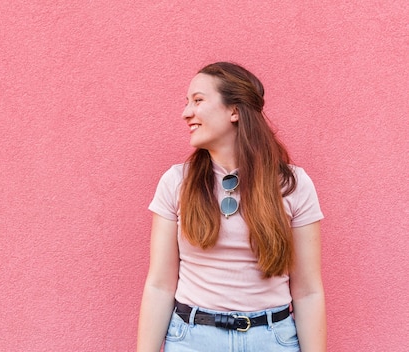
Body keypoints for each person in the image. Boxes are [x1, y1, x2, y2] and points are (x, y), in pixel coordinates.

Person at [137, 62, 326, 352]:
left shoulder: (293, 184)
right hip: (192, 340)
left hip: (272, 340)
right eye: (187, 102)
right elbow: (160, 285)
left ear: (234, 111)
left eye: (198, 100)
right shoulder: (176, 182)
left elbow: (308, 291)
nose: (186, 112)